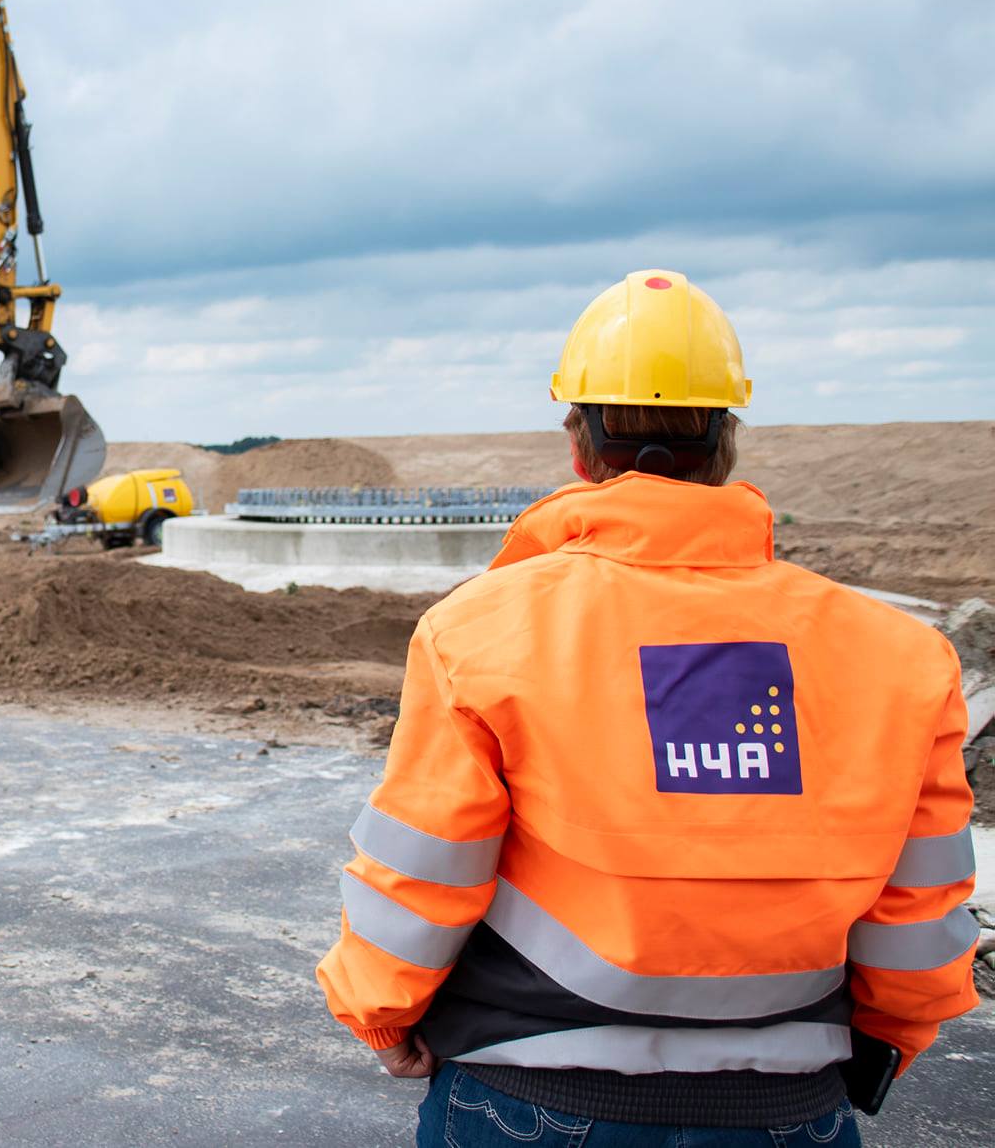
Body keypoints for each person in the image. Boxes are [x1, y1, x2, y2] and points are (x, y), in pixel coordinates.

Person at [315, 270, 978, 1146]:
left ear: (578, 443)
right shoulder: (901, 656)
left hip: (530, 1095)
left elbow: (429, 865)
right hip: (788, 1105)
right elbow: (920, 905)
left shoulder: (480, 630)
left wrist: (383, 1014)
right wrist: (890, 1038)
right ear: (726, 439)